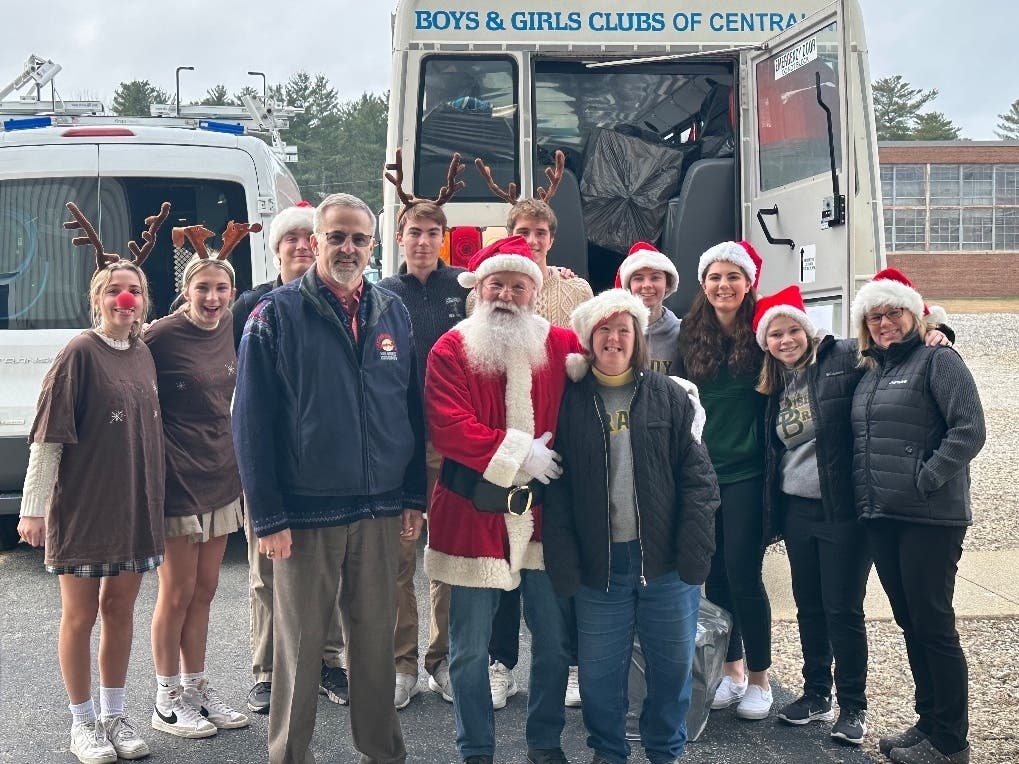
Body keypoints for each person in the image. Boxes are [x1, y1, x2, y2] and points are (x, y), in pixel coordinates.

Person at [233, 192, 426, 764]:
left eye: (358, 238)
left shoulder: (393, 311)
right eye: (336, 236)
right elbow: (250, 424)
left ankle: (382, 751)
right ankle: (289, 755)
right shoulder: (276, 315)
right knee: (298, 648)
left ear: (372, 245)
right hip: (304, 512)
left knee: (374, 646)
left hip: (380, 509)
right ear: (314, 242)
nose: (347, 248)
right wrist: (267, 515)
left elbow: (409, 408)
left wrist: (413, 493)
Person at [753, 284, 953, 745]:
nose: (786, 341)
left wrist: (938, 329)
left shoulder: (841, 357)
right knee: (808, 606)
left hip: (841, 507)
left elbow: (890, 346)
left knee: (842, 607)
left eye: (792, 331)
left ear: (808, 330)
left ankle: (853, 706)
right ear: (767, 343)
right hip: (796, 509)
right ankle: (816, 693)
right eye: (775, 335)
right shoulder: (772, 381)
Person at [17, 202, 169, 764]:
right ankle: (81, 723)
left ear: (144, 302)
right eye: (113, 290)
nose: (123, 298)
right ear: (97, 300)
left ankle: (113, 713)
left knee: (122, 610)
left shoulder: (145, 355)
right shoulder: (78, 353)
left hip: (134, 506)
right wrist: (33, 509)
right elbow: (47, 437)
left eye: (132, 289)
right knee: (80, 616)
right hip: (84, 507)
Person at [424, 235, 583, 764]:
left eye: (519, 285)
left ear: (535, 291)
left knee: (555, 641)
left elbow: (615, 364)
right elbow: (448, 426)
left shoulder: (561, 345)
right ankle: (475, 749)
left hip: (542, 519)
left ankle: (544, 742)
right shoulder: (452, 347)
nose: (508, 295)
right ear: (479, 286)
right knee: (469, 650)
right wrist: (518, 453)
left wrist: (669, 393)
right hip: (473, 515)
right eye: (498, 283)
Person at [544, 289, 719, 764]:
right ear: (589, 339)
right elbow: (555, 492)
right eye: (604, 329)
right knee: (600, 676)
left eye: (624, 329)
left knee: (671, 672)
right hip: (600, 568)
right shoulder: (570, 402)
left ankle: (665, 751)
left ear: (637, 338)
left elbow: (699, 481)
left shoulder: (669, 395)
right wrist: (565, 563)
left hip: (664, 563)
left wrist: (693, 555)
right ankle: (609, 752)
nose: (614, 338)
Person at [849, 268, 984, 764]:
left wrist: (926, 478)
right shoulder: (872, 369)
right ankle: (929, 722)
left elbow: (969, 430)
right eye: (875, 315)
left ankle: (951, 741)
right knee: (911, 622)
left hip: (929, 517)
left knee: (933, 623)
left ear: (914, 313)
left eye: (893, 313)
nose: (884, 323)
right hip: (884, 515)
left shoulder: (937, 360)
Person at [470, 198, 593, 709]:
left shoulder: (575, 288)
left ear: (552, 236)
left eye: (542, 231)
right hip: (504, 450)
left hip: (556, 452)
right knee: (503, 565)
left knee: (555, 564)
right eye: (525, 230)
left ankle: (566, 664)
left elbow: (587, 359)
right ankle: (501, 664)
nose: (535, 239)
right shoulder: (494, 287)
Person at [232, 203, 349, 714]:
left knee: (330, 569)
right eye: (291, 240)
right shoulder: (253, 306)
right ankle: (268, 669)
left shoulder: (341, 303)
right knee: (268, 571)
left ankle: (328, 661)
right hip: (270, 459)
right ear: (277, 249)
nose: (302, 246)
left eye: (309, 238)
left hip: (326, 462)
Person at [145, 225, 259, 739]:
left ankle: (195, 686)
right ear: (186, 291)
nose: (212, 299)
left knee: (207, 590)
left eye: (220, 289)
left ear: (231, 293)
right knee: (177, 591)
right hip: (178, 479)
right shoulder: (163, 335)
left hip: (221, 474)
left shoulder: (233, 327)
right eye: (202, 289)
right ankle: (166, 697)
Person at [675, 240, 774, 720]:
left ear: (749, 282)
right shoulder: (689, 333)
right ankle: (731, 672)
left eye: (733, 276)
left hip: (747, 474)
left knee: (744, 574)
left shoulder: (764, 331)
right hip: (702, 473)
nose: (723, 285)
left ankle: (760, 678)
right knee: (713, 575)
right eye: (715, 277)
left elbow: (816, 343)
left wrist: (934, 327)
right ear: (703, 284)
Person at [377, 200, 468, 709]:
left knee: (448, 557)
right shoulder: (382, 294)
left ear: (443, 238)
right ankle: (401, 663)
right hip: (401, 445)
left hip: (451, 441)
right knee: (399, 559)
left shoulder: (465, 288)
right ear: (399, 236)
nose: (423, 241)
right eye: (414, 232)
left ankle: (444, 659)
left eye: (433, 233)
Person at [615, 241, 682, 375]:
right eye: (638, 279)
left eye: (655, 278)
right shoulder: (613, 332)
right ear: (628, 286)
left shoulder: (683, 332)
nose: (646, 285)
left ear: (668, 284)